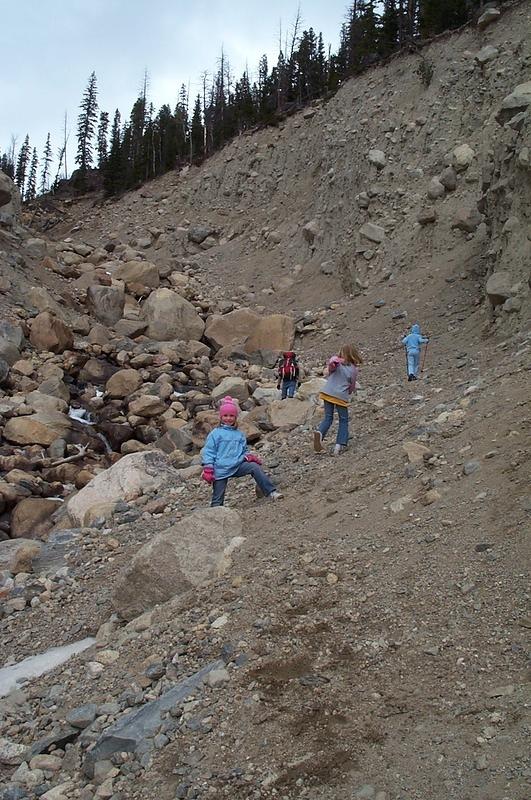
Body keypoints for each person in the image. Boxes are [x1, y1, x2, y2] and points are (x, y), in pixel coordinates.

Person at [201, 395, 283, 507]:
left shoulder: (239, 435)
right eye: (225, 416)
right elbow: (209, 451)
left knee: (254, 467)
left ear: (235, 417)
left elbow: (244, 450)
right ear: (221, 417)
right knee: (217, 499)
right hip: (220, 469)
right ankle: (216, 514)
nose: (228, 418)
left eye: (231, 416)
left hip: (237, 465)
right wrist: (208, 468)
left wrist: (248, 456)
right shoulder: (215, 433)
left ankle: (271, 492)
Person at [313, 344, 362, 456]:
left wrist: (332, 363)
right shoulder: (353, 369)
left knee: (328, 417)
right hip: (341, 396)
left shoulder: (336, 363)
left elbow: (328, 370)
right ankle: (339, 445)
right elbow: (352, 385)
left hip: (328, 392)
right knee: (343, 420)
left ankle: (320, 433)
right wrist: (348, 392)